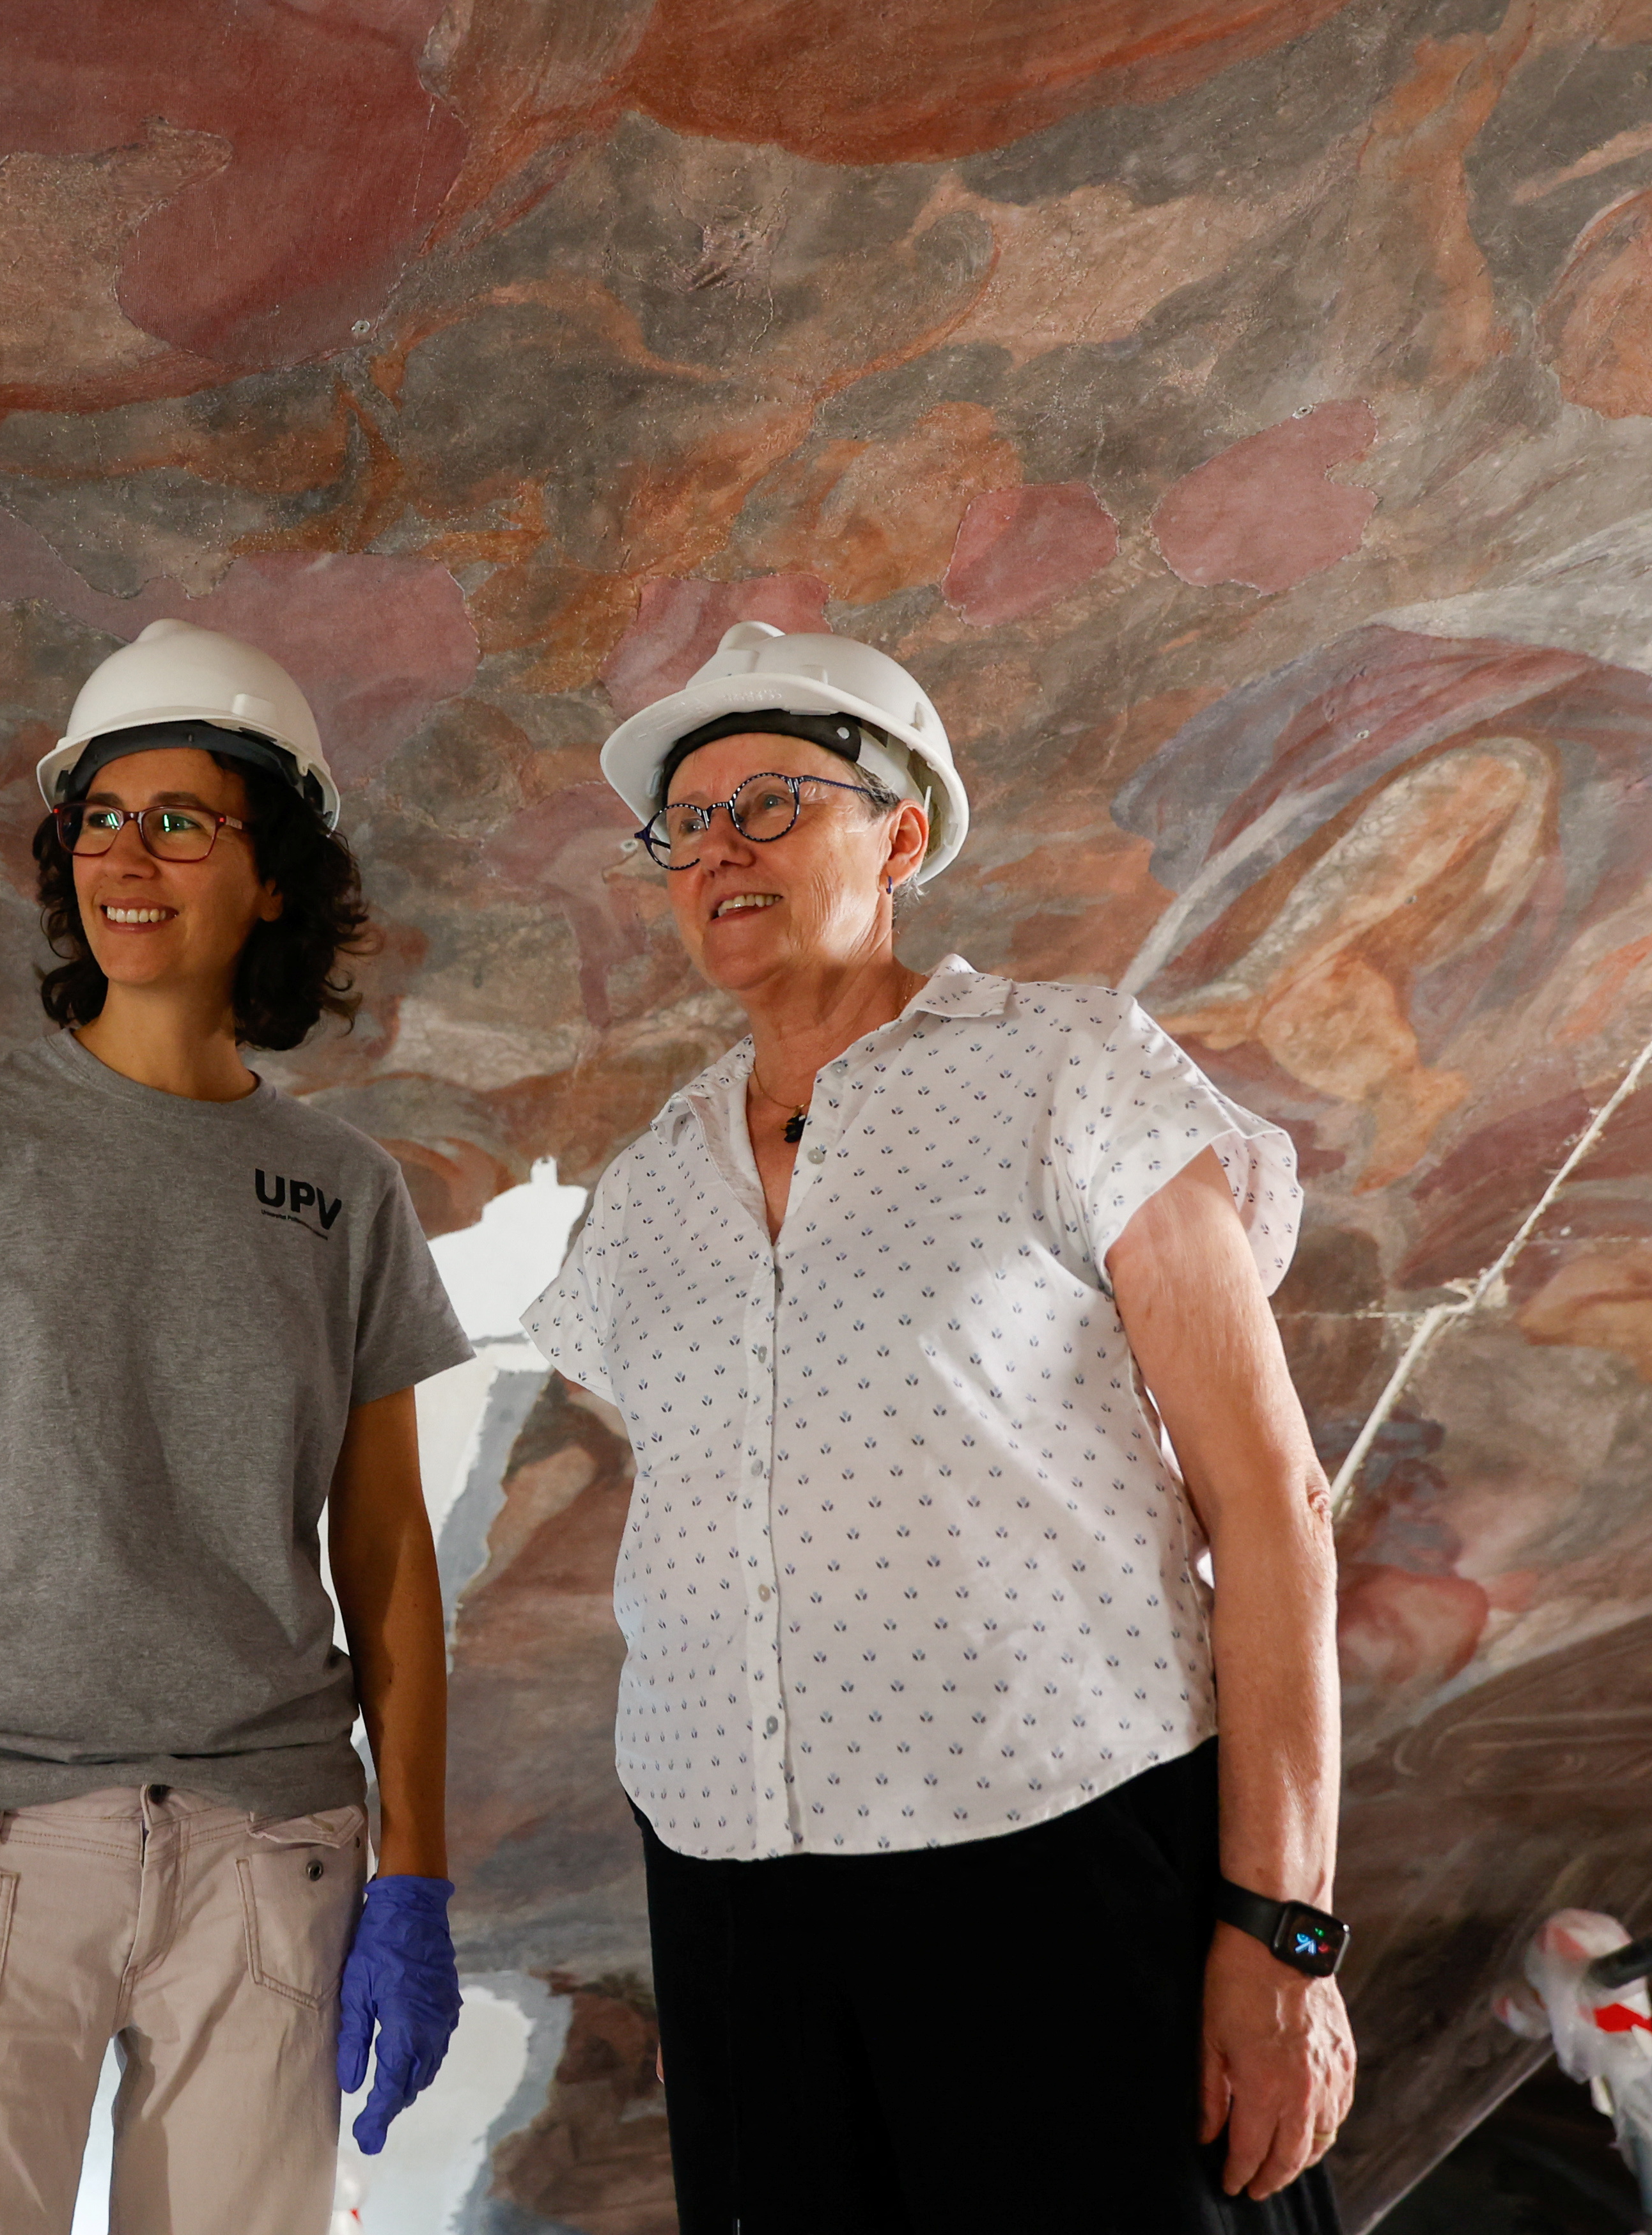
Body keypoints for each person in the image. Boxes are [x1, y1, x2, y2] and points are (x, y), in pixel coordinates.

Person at [521, 624, 1355, 2233]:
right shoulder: (644, 1194)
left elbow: (1272, 1506)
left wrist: (1283, 1927)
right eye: (686, 826)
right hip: (733, 1902)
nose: (719, 851)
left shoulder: (1066, 1070)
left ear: (901, 835)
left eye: (770, 804)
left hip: (1061, 1865)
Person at [0, 620, 476, 2232]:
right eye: (98, 819)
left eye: (180, 820)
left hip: (271, 1860)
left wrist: (417, 1877)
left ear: (274, 878)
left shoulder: (347, 1197)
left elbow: (384, 1553)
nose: (127, 857)